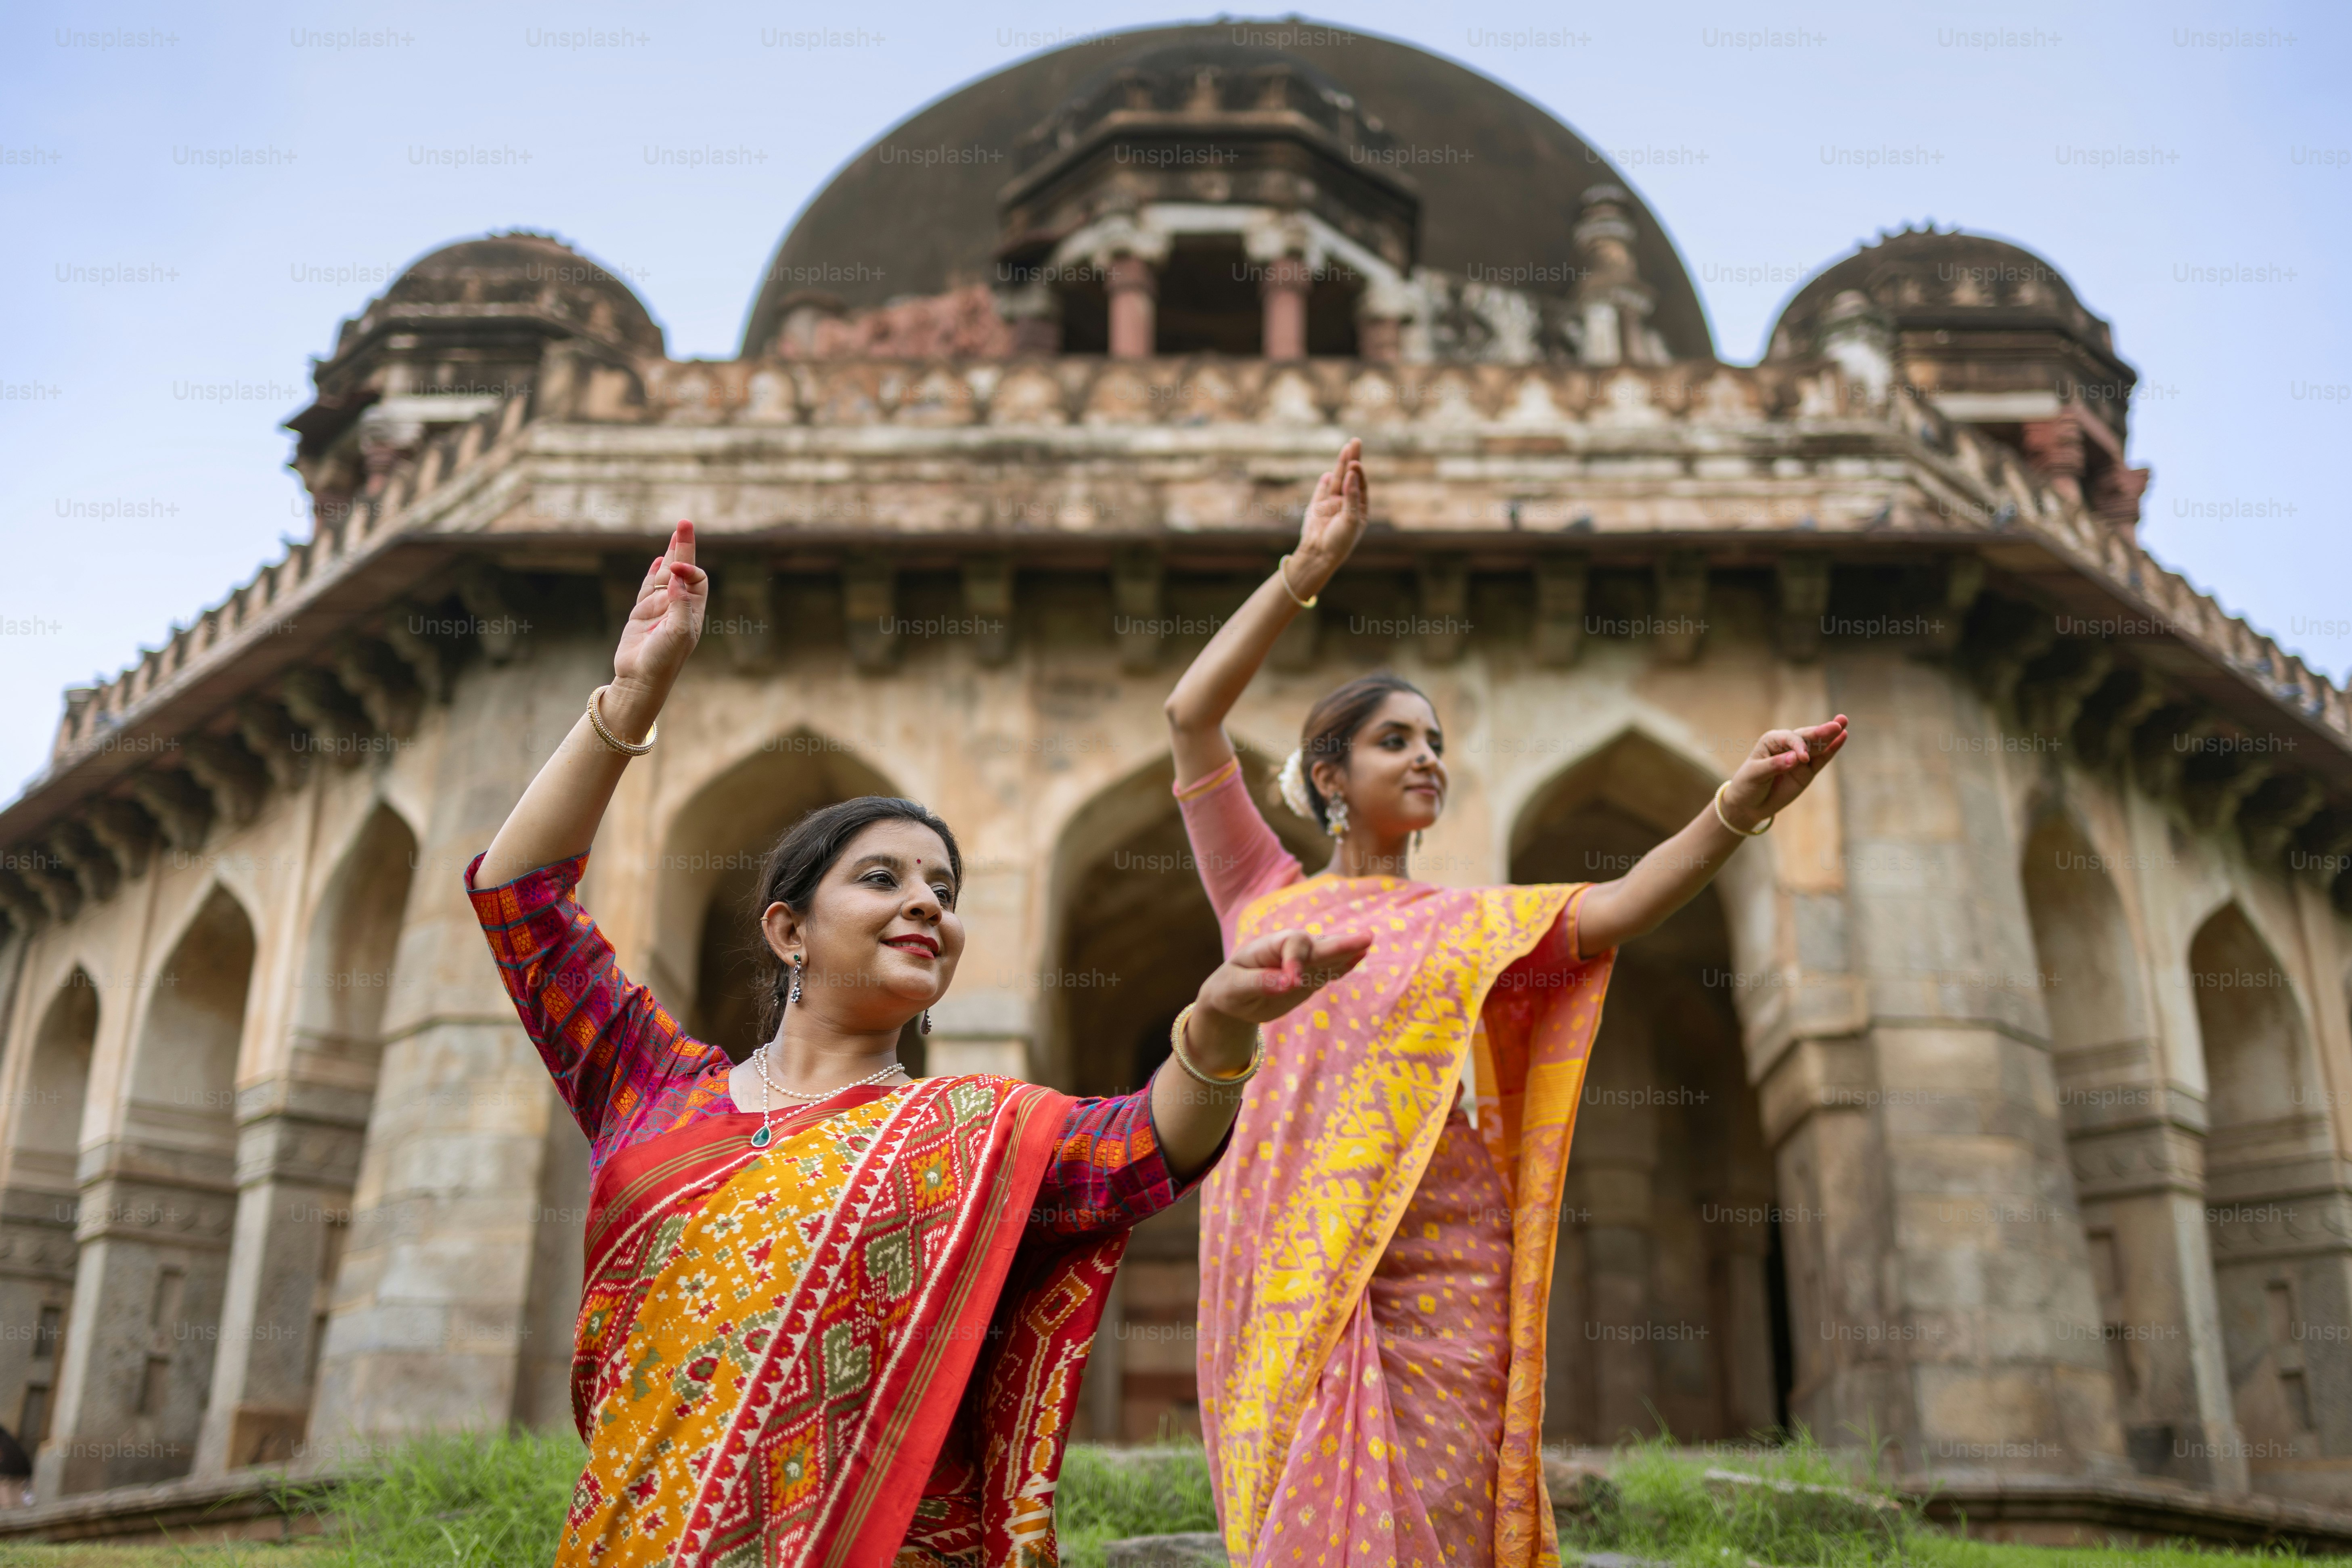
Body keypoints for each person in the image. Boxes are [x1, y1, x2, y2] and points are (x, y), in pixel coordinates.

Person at [469, 521, 1371, 1567]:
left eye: (943, 892)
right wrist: (631, 699)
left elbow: (1146, 1149)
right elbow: (519, 901)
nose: (925, 908)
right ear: (787, 928)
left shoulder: (976, 1135)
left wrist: (1216, 1026)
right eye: (882, 879)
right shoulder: (655, 1091)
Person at [1164, 440, 1849, 1568]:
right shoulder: (1258, 890)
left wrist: (1734, 806)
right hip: (1280, 1247)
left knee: (1434, 1507)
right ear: (1327, 776)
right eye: (1395, 741)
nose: (1426, 759)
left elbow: (1622, 905)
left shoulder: (1466, 918)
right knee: (1293, 1506)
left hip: (1443, 1246)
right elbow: (1192, 718)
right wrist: (1304, 570)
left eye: (1435, 742)